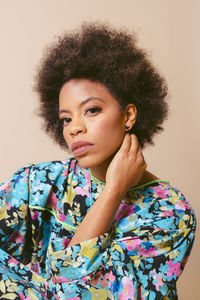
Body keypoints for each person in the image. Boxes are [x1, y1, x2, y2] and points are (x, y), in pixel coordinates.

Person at [0, 22, 196, 299]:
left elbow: (75, 290)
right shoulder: (40, 183)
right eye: (66, 118)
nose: (73, 128)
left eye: (91, 110)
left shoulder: (170, 214)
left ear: (128, 116)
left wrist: (113, 191)